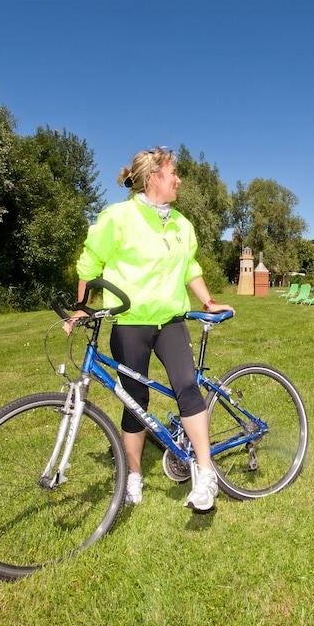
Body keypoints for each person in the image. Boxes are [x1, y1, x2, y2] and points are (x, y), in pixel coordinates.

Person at [66, 147, 233, 513]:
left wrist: (206, 301)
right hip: (130, 323)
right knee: (134, 401)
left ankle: (205, 474)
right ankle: (134, 476)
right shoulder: (117, 218)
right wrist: (81, 307)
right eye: (173, 173)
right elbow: (89, 263)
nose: (178, 179)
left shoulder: (181, 224)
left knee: (187, 387)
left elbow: (190, 267)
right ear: (152, 177)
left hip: (170, 321)